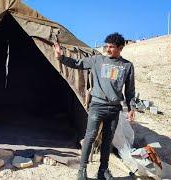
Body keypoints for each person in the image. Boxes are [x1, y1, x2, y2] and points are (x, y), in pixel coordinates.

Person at [53, 32, 136, 180]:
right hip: (97, 106)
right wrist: (61, 57)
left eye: (112, 47)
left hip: (115, 109)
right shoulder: (97, 60)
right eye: (107, 46)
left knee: (107, 141)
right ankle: (82, 170)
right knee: (90, 137)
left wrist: (131, 108)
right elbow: (76, 64)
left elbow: (130, 90)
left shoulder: (127, 66)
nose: (108, 49)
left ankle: (102, 170)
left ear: (121, 48)